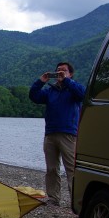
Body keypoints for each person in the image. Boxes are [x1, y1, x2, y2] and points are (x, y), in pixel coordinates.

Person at [28, 62, 86, 205]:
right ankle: (53, 198)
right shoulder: (50, 91)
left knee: (71, 169)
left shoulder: (74, 88)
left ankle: (76, 201)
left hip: (68, 134)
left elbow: (82, 95)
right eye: (58, 70)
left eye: (64, 70)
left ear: (70, 74)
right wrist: (40, 81)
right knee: (52, 169)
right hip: (50, 134)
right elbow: (34, 96)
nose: (60, 72)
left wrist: (66, 80)